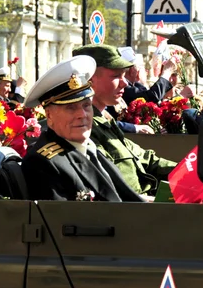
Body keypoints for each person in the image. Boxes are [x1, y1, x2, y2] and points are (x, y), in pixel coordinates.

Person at [21, 55, 144, 202]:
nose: (82, 114)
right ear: (49, 115)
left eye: (86, 105)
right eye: (70, 108)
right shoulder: (45, 163)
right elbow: (64, 222)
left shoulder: (89, 148)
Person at [73, 45, 177, 197]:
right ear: (90, 80)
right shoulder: (86, 128)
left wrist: (190, 171)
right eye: (116, 76)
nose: (125, 83)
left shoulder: (105, 120)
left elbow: (145, 158)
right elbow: (114, 187)